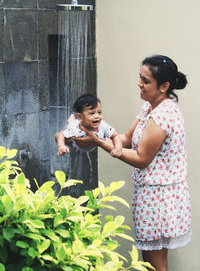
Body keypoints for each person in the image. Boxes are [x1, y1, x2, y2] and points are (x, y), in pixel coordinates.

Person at [69, 55, 192, 271]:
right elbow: (125, 139)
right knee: (149, 262)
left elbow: (142, 159)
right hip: (152, 197)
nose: (139, 84)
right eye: (140, 78)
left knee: (156, 265)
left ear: (164, 86)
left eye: (145, 81)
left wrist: (98, 142)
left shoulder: (163, 116)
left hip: (159, 199)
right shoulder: (149, 108)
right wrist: (93, 132)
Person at [56, 93, 122, 157]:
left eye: (99, 112)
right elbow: (61, 135)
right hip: (75, 143)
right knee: (66, 129)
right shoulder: (75, 127)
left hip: (87, 145)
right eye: (92, 113)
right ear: (80, 117)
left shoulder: (102, 125)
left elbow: (115, 136)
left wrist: (118, 148)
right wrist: (61, 146)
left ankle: (72, 119)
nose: (97, 116)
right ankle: (71, 120)